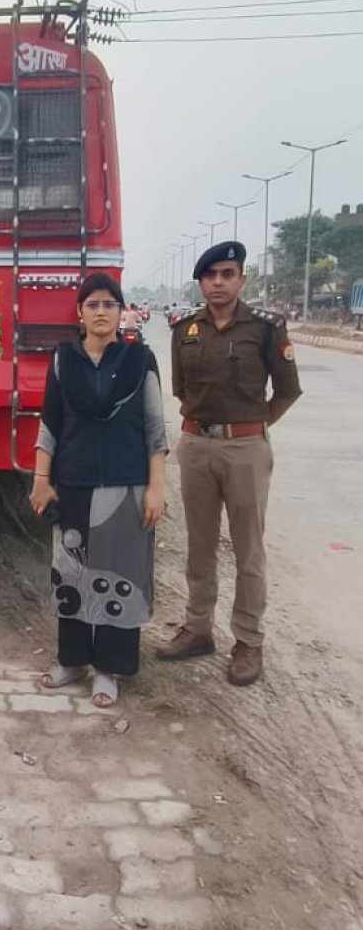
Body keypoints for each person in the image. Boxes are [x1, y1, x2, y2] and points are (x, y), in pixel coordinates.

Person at [157, 241, 302, 685]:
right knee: (199, 547)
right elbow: (182, 392)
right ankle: (198, 629)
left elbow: (286, 391)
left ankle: (248, 640)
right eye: (210, 276)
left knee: (248, 550)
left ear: (241, 279)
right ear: (200, 283)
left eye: (227, 274)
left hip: (245, 450)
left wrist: (250, 428)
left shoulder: (266, 328)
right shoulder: (184, 329)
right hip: (196, 445)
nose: (218, 282)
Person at [29, 273, 167, 707]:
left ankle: (108, 668)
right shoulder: (62, 360)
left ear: (121, 310)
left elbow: (154, 429)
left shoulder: (139, 360)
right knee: (72, 574)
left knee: (118, 576)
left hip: (126, 486)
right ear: (80, 313)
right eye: (93, 304)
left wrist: (156, 488)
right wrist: (40, 479)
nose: (102, 311)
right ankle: (71, 660)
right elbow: (50, 422)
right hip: (74, 484)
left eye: (110, 304)